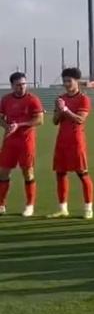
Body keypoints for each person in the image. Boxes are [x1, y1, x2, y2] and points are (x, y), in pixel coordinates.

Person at [48, 67, 94, 219]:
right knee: (60, 173)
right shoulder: (60, 99)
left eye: (69, 81)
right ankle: (63, 208)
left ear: (77, 81)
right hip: (62, 140)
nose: (66, 84)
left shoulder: (83, 99)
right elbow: (55, 121)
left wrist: (65, 109)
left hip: (76, 140)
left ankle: (88, 208)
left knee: (82, 173)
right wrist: (59, 110)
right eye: (64, 81)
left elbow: (80, 119)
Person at [0, 72, 44, 217]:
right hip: (9, 141)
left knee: (27, 172)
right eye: (18, 85)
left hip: (26, 141)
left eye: (24, 84)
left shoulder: (33, 100)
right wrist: (7, 126)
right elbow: (0, 117)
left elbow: (39, 120)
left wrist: (19, 125)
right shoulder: (6, 100)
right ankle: (1, 204)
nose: (22, 87)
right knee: (3, 172)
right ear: (12, 86)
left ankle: (29, 205)